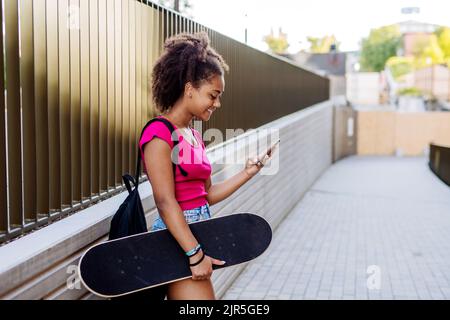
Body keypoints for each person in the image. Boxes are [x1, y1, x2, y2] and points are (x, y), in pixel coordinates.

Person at [139, 32, 276, 300]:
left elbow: (206, 196)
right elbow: (166, 202)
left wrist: (248, 172)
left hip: (197, 232)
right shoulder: (158, 133)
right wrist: (194, 253)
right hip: (176, 240)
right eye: (213, 95)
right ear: (189, 89)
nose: (218, 103)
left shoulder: (194, 135)